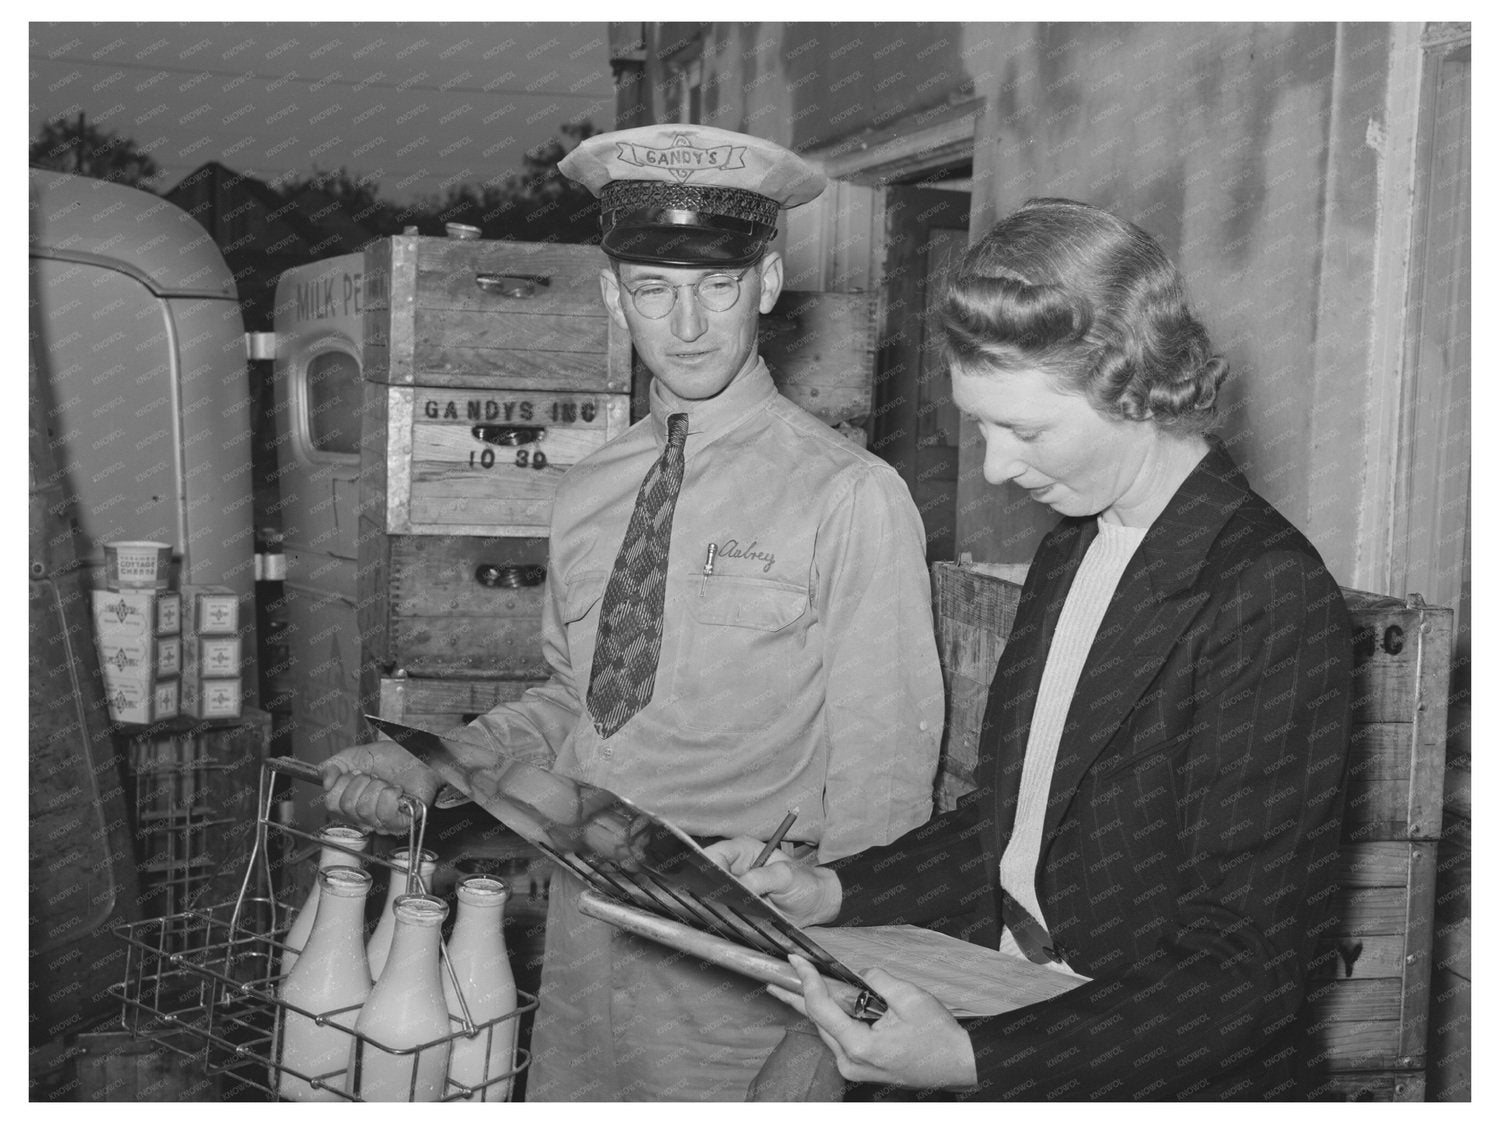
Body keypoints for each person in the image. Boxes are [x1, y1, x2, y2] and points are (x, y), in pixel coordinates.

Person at [321, 124, 944, 1101]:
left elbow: (889, 796)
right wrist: (436, 763)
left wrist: (838, 1024)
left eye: (718, 286)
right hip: (587, 923)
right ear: (615, 298)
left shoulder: (850, 496)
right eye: (655, 288)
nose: (688, 325)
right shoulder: (591, 488)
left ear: (769, 283)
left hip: (746, 958)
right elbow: (577, 705)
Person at [711, 198, 1353, 1101]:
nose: (997, 469)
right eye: (981, 426)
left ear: (1134, 385)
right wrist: (829, 893)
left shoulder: (1264, 595)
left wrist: (979, 1062)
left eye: (1025, 430)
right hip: (1009, 997)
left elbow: (1246, 969)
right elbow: (1018, 822)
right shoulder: (1077, 542)